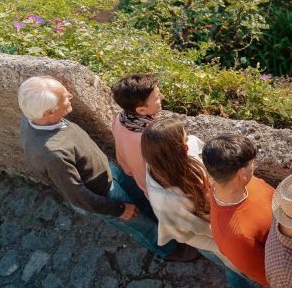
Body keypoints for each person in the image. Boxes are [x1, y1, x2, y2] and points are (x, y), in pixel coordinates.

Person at [17, 76, 196, 262]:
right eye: (64, 97)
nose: (70, 95)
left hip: (106, 170)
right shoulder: (50, 154)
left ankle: (168, 228)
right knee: (142, 226)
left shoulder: (34, 118)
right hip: (104, 193)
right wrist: (118, 209)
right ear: (49, 112)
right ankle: (170, 250)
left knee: (142, 202)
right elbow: (78, 197)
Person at [141, 118, 271, 288]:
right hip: (206, 235)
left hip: (217, 217)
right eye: (183, 138)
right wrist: (225, 238)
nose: (189, 139)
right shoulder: (166, 200)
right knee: (232, 263)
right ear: (174, 152)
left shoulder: (187, 149)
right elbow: (192, 232)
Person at [201, 134, 277, 287]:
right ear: (241, 175)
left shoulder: (222, 186)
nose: (254, 167)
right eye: (252, 163)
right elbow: (269, 276)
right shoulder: (237, 237)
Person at [111, 73, 163, 196]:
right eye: (157, 98)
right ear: (141, 110)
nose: (162, 97)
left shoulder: (119, 118)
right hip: (158, 190)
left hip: (138, 180)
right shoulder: (151, 138)